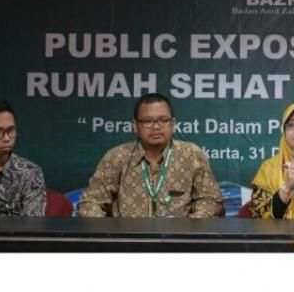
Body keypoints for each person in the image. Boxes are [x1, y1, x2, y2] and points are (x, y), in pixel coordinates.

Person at [78, 93, 223, 218]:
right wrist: (112, 235)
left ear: (173, 123)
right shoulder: (117, 157)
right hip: (128, 238)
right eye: (147, 121)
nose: (156, 127)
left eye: (163, 120)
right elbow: (90, 202)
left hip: (178, 238)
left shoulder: (191, 155)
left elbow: (210, 200)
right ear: (135, 125)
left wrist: (188, 229)